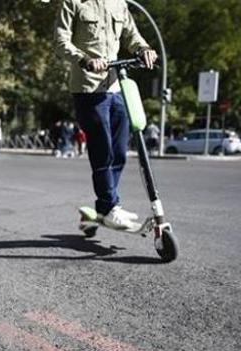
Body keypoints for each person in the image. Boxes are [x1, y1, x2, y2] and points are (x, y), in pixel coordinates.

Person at [55, 0, 157, 230]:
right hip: (88, 88)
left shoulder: (119, 3)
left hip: (116, 87)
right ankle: (110, 206)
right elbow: (60, 41)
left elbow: (132, 35)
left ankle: (104, 208)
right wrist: (85, 59)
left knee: (119, 151)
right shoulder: (73, 3)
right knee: (103, 150)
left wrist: (144, 49)